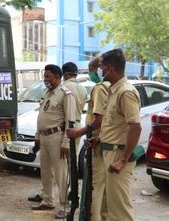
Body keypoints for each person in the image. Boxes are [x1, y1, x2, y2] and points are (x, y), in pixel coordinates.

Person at [88, 49, 141, 220]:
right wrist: (99, 139)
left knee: (119, 209)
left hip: (118, 155)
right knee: (106, 206)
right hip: (107, 151)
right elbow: (115, 125)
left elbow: (135, 127)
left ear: (109, 68)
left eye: (102, 67)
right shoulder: (114, 91)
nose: (100, 71)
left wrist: (123, 160)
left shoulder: (125, 92)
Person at [29, 64, 77, 219]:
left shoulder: (65, 94)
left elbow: (70, 121)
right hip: (44, 137)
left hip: (57, 137)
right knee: (45, 171)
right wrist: (37, 135)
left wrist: (65, 143)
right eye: (44, 76)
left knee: (60, 173)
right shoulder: (48, 93)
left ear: (57, 77)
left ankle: (65, 205)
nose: (45, 79)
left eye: (48, 76)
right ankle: (47, 200)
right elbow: (42, 116)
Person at [66, 57, 110, 221]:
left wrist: (79, 132)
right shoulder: (112, 87)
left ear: (100, 69)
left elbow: (99, 118)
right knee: (105, 188)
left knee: (94, 187)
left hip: (97, 142)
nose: (91, 73)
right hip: (105, 141)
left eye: (91, 69)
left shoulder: (100, 88)